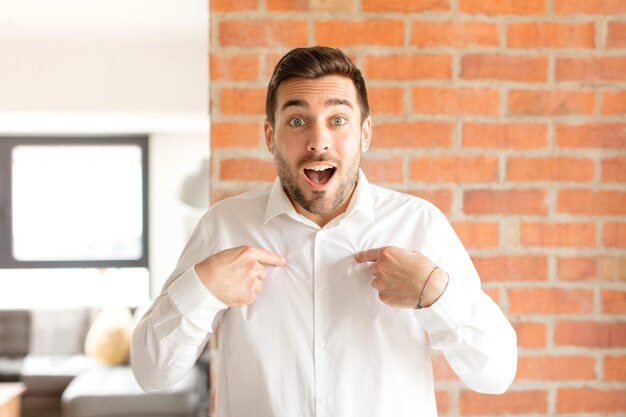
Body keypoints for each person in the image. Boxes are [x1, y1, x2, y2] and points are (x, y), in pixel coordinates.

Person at [131, 46, 517, 417]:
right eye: (298, 121)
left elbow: (496, 374)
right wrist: (203, 288)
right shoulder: (224, 225)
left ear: (365, 134)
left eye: (338, 120)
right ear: (270, 136)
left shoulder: (419, 224)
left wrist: (434, 293)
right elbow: (151, 373)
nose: (318, 141)